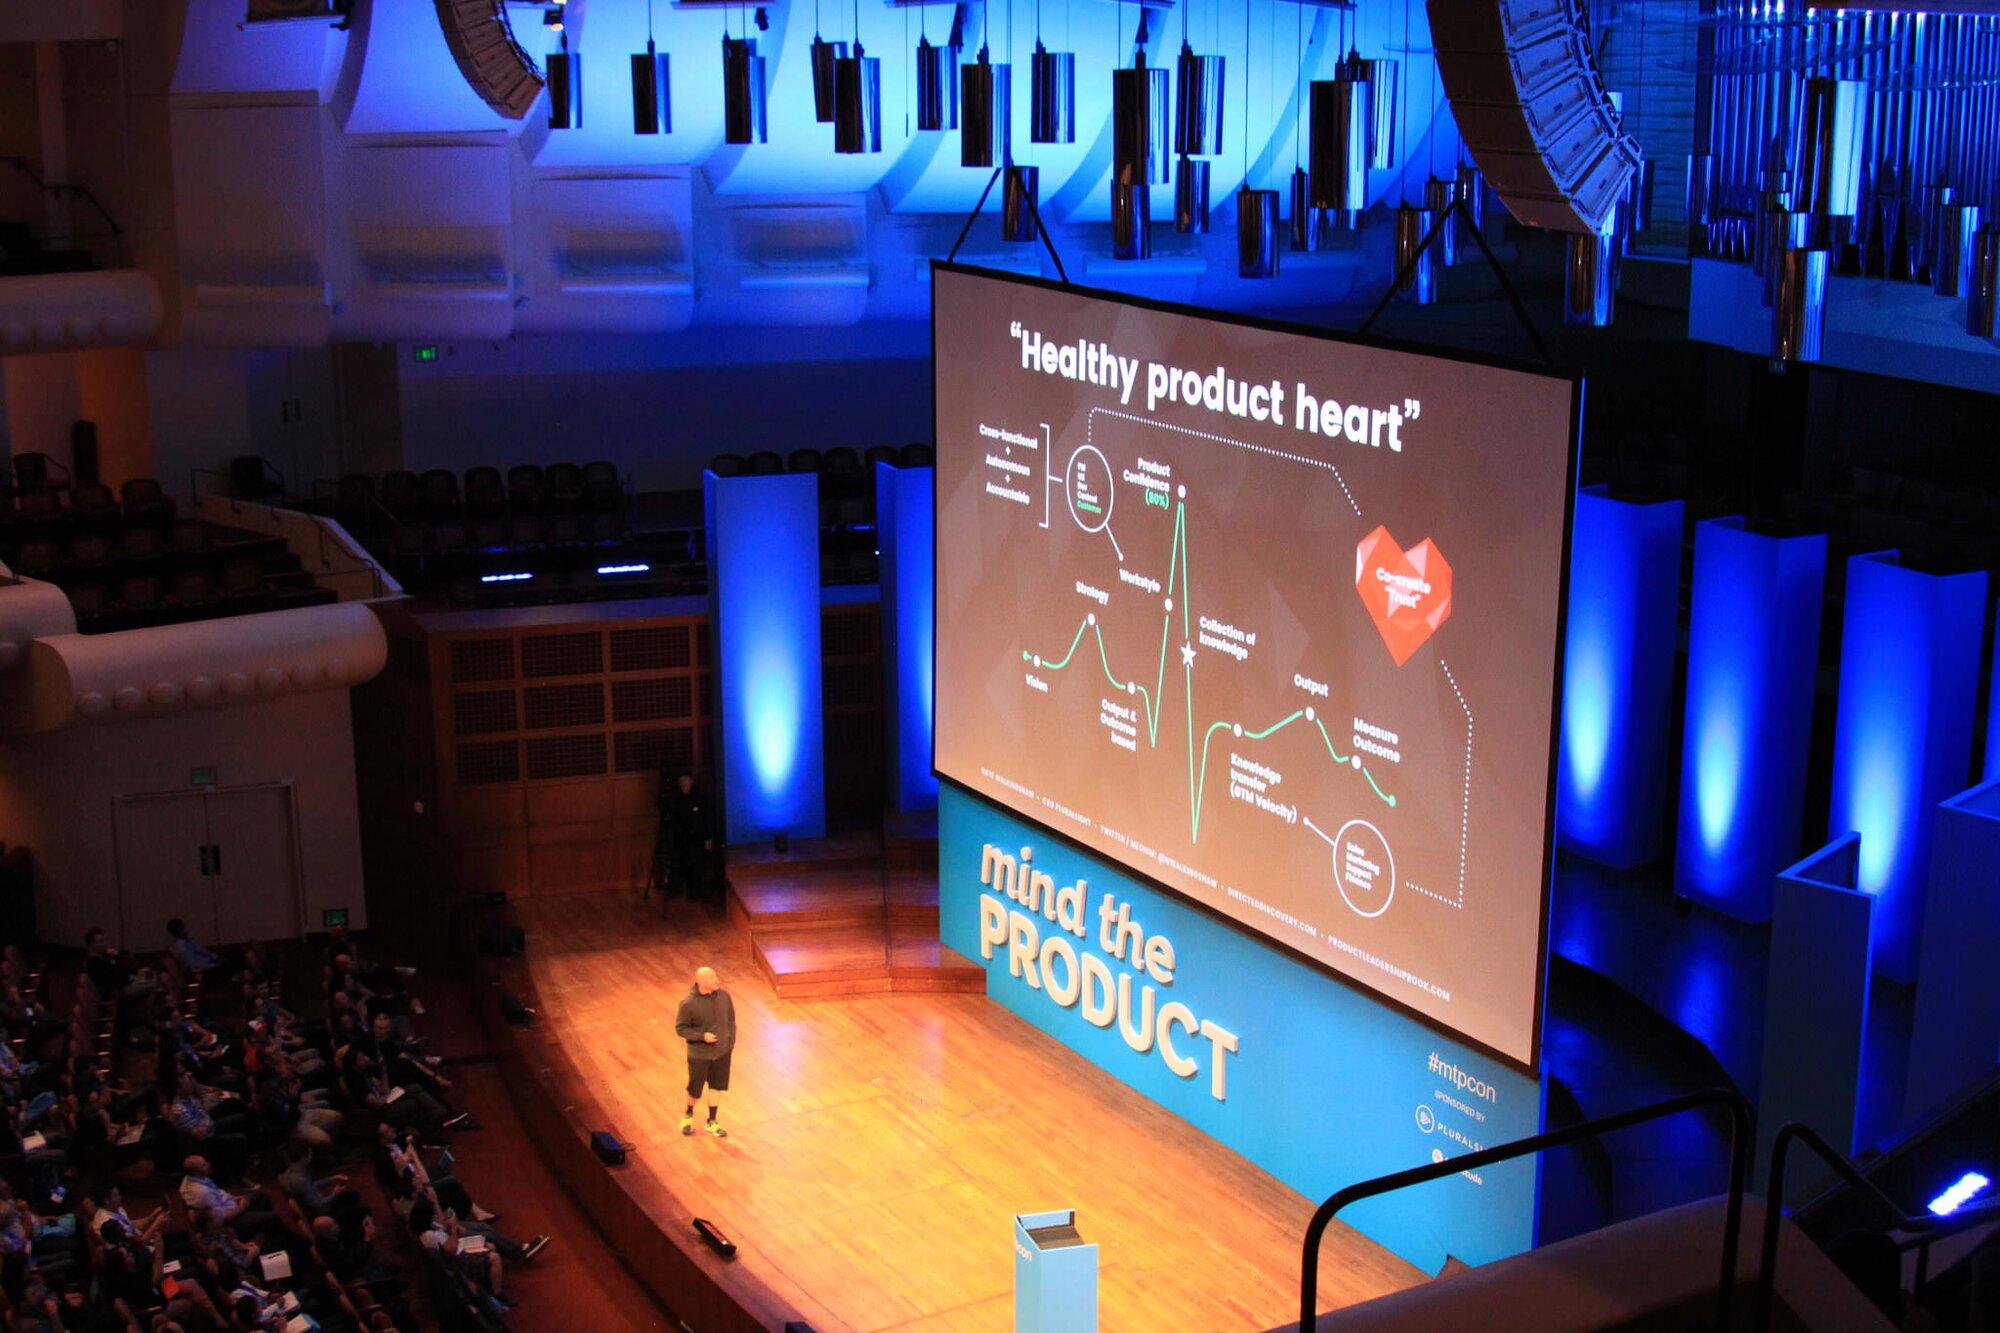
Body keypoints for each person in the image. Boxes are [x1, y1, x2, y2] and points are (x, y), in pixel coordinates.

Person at [675, 966, 735, 1138]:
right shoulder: (688, 1004)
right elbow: (681, 1029)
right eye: (711, 978)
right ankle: (688, 1114)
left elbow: (731, 1021)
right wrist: (702, 1036)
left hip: (722, 1053)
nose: (717, 980)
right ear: (701, 982)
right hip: (699, 1055)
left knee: (716, 1087)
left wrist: (730, 1043)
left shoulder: (724, 996)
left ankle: (712, 1121)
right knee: (695, 1089)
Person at [650, 771, 714, 903]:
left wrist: (708, 838)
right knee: (677, 865)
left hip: (697, 837)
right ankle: (675, 890)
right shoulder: (676, 798)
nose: (684, 784)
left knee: (696, 865)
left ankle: (695, 891)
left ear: (691, 781)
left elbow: (707, 818)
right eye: (681, 781)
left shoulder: (700, 797)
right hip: (680, 838)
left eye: (686, 780)